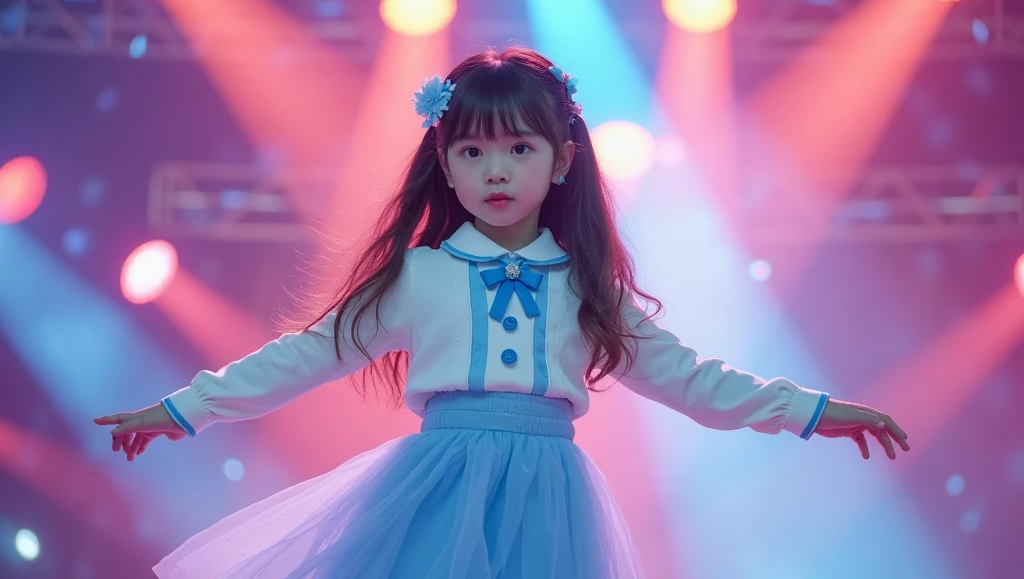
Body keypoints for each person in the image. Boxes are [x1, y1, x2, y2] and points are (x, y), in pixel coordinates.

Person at [94, 46, 910, 578]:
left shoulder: (587, 285)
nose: (495, 168)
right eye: (472, 150)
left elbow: (690, 379)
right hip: (434, 486)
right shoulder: (419, 277)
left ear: (561, 161)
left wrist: (809, 411)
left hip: (551, 497)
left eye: (520, 148)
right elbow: (306, 354)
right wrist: (183, 410)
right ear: (443, 164)